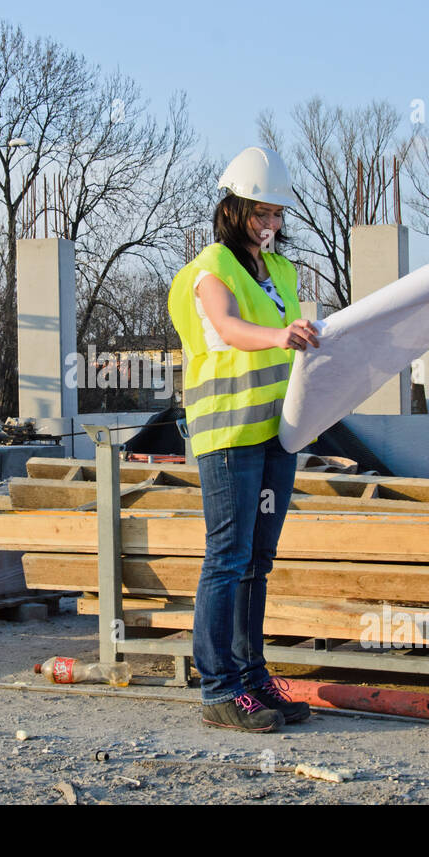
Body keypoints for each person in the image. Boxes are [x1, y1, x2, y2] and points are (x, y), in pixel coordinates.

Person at [167, 145, 319, 732]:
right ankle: (219, 690)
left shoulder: (281, 271)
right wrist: (282, 335)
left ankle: (253, 679)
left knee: (258, 559)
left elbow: (297, 339)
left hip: (278, 433)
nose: (271, 224)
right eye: (260, 213)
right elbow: (227, 328)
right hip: (229, 433)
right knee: (227, 557)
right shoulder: (211, 270)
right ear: (232, 210)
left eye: (277, 214)